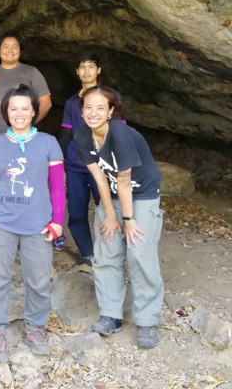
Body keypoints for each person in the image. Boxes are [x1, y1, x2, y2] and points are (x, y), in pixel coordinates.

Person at [0, 84, 65, 362]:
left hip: (38, 223)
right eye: (13, 108)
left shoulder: (49, 142)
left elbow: (58, 186)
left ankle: (35, 327)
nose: (19, 113)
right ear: (6, 112)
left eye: (25, 108)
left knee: (38, 281)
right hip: (0, 222)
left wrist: (57, 221)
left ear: (35, 111)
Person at [73, 86, 164, 349]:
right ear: (81, 110)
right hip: (112, 194)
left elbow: (124, 181)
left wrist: (128, 219)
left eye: (100, 108)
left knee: (139, 252)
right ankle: (111, 314)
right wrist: (110, 215)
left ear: (111, 111)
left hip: (142, 193)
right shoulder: (82, 135)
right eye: (88, 107)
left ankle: (146, 320)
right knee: (107, 250)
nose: (93, 113)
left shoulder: (121, 135)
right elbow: (99, 177)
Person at [0, 35, 52, 150]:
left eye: (15, 47)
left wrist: (29, 122)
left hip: (22, 134)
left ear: (20, 51)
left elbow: (46, 103)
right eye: (6, 47)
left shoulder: (31, 72)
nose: (10, 50)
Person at [59, 52, 102, 265]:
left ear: (98, 71)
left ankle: (109, 254)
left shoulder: (109, 98)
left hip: (102, 165)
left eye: (91, 66)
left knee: (107, 211)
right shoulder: (71, 103)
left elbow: (119, 134)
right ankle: (88, 255)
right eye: (82, 67)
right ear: (77, 72)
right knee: (76, 213)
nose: (86, 71)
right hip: (75, 165)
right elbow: (66, 135)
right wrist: (61, 168)